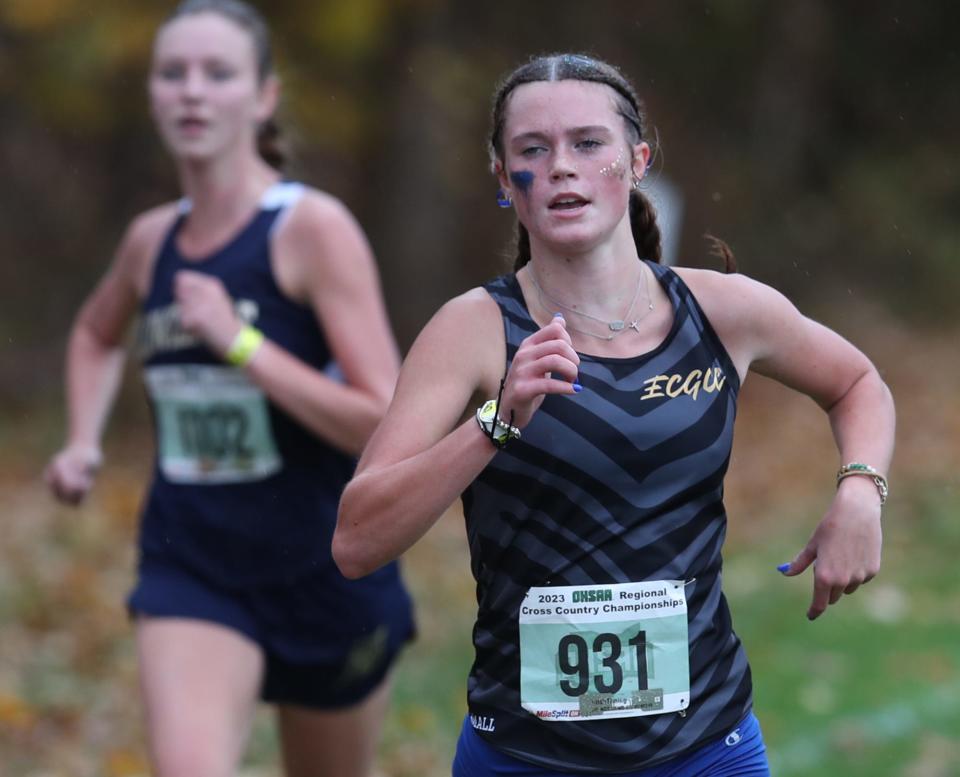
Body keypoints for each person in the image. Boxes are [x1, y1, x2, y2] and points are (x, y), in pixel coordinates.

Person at [332, 53, 895, 776]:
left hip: (707, 748)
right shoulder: (473, 330)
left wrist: (859, 489)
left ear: (637, 161)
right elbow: (356, 539)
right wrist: (495, 424)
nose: (561, 166)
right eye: (533, 150)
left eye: (587, 143)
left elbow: (857, 381)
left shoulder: (722, 312)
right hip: (525, 754)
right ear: (506, 180)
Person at [44, 2, 414, 775]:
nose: (192, 93)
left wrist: (242, 344)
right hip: (194, 564)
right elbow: (93, 334)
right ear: (151, 94)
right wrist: (82, 439)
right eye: (172, 74)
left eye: (218, 74)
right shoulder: (152, 242)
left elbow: (383, 418)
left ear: (264, 96)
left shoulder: (311, 230)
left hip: (327, 566)